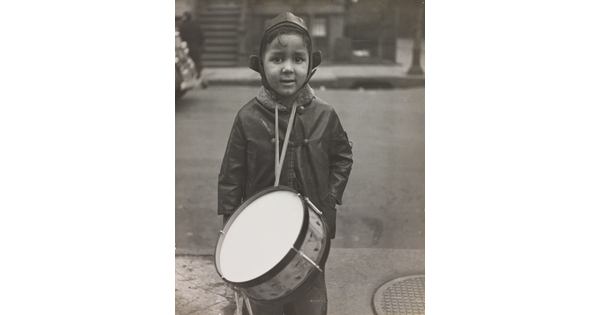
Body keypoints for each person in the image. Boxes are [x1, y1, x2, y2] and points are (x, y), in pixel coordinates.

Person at [217, 12, 353, 315]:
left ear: (310, 65)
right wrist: (230, 226)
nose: (288, 68)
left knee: (310, 303)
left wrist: (329, 199)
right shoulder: (247, 118)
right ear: (261, 64)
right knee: (265, 303)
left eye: (298, 59)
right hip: (261, 232)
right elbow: (231, 174)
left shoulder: (325, 114)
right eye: (277, 59)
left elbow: (343, 156)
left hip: (310, 233)